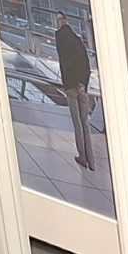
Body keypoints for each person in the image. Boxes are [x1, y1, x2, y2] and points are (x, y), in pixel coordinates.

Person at [55, 15, 95, 170]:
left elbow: (67, 62)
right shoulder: (78, 40)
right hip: (82, 86)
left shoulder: (61, 38)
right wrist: (82, 84)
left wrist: (71, 83)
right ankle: (91, 161)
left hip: (71, 87)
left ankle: (83, 157)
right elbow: (84, 63)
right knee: (85, 124)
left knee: (77, 123)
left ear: (59, 23)